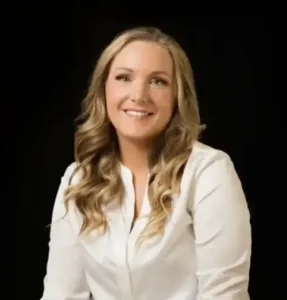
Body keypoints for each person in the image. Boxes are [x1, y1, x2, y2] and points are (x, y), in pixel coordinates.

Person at [40, 26, 252, 300]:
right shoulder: (78, 179)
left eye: (158, 81)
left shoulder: (208, 173)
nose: (139, 95)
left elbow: (225, 295)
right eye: (124, 77)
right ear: (104, 89)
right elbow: (61, 294)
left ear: (178, 96)